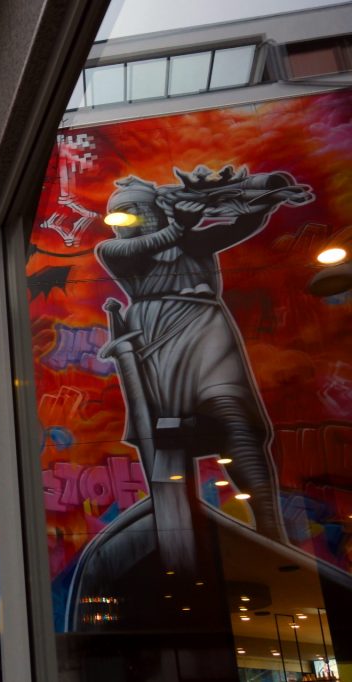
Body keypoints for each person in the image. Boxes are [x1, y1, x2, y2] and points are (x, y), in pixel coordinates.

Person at [95, 167, 312, 543]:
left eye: (134, 211)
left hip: (205, 325)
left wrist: (263, 201)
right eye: (119, 215)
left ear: (153, 210)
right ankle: (180, 531)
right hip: (155, 336)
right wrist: (180, 224)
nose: (125, 222)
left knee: (233, 414)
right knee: (168, 432)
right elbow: (140, 247)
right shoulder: (112, 250)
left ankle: (268, 521)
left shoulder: (191, 241)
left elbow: (237, 228)